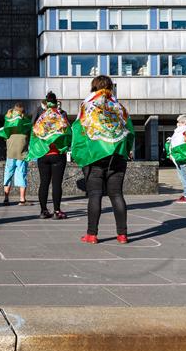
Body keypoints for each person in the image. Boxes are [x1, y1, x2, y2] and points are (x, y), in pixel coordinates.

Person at [70, 75, 135, 244]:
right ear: (111, 88)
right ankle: (122, 234)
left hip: (95, 156)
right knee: (117, 194)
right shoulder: (119, 107)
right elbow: (130, 131)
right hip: (117, 155)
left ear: (93, 87)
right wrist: (126, 150)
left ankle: (92, 234)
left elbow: (78, 131)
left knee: (95, 195)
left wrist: (79, 155)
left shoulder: (87, 105)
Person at [29, 92, 71, 219]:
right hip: (57, 153)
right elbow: (68, 132)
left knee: (44, 183)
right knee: (57, 183)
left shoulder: (40, 117)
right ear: (56, 101)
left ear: (46, 103)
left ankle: (43, 211)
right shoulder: (61, 115)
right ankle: (57, 211)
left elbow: (34, 133)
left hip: (43, 154)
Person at [0, 103, 31, 206]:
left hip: (10, 154)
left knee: (8, 176)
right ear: (23, 112)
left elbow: (4, 136)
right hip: (22, 154)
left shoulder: (8, 122)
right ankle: (22, 199)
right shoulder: (26, 123)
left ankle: (6, 198)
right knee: (22, 176)